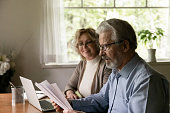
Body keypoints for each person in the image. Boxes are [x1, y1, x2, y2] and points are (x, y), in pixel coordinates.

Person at [52, 18, 169, 113]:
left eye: (105, 47)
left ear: (125, 46)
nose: (101, 53)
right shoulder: (116, 71)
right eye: (100, 46)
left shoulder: (147, 81)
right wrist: (69, 103)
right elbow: (102, 99)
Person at [65, 28, 112, 99]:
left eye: (88, 42)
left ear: (96, 43)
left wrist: (77, 103)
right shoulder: (82, 64)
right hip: (81, 105)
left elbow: (104, 97)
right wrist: (70, 93)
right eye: (80, 43)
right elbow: (70, 86)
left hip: (96, 108)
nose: (84, 47)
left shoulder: (106, 65)